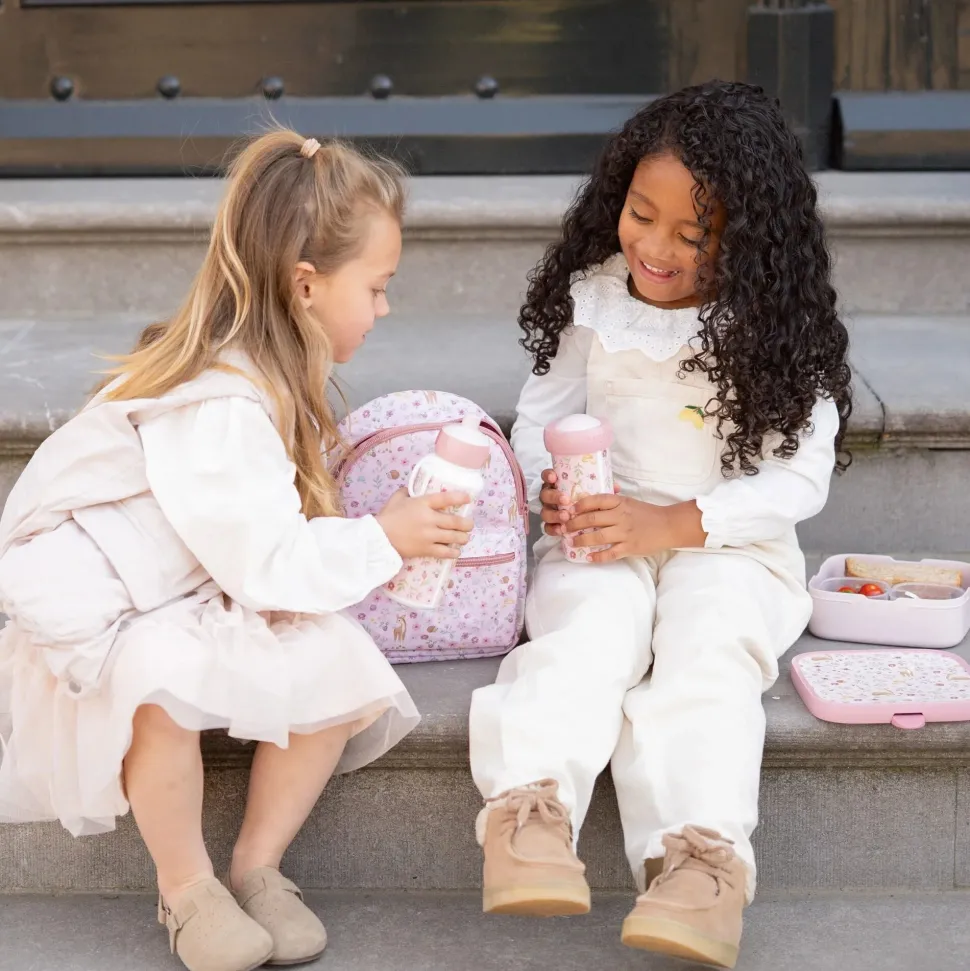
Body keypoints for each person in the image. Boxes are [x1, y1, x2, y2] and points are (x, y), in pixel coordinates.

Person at [0, 131, 473, 971]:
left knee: (334, 660)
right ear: (306, 285)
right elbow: (261, 564)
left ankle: (256, 865)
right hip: (114, 595)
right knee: (155, 687)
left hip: (192, 576)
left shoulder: (265, 379)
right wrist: (381, 537)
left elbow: (254, 555)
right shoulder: (220, 403)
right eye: (378, 286)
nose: (386, 307)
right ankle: (186, 887)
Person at [469, 81, 851, 970]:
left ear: (750, 242)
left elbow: (798, 474)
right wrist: (549, 486)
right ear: (618, 198)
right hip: (603, 522)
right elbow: (541, 412)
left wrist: (675, 523)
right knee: (583, 631)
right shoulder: (595, 297)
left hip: (728, 542)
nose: (657, 247)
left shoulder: (770, 325)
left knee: (708, 653)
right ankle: (529, 814)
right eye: (642, 215)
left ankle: (698, 864)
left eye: (694, 233)